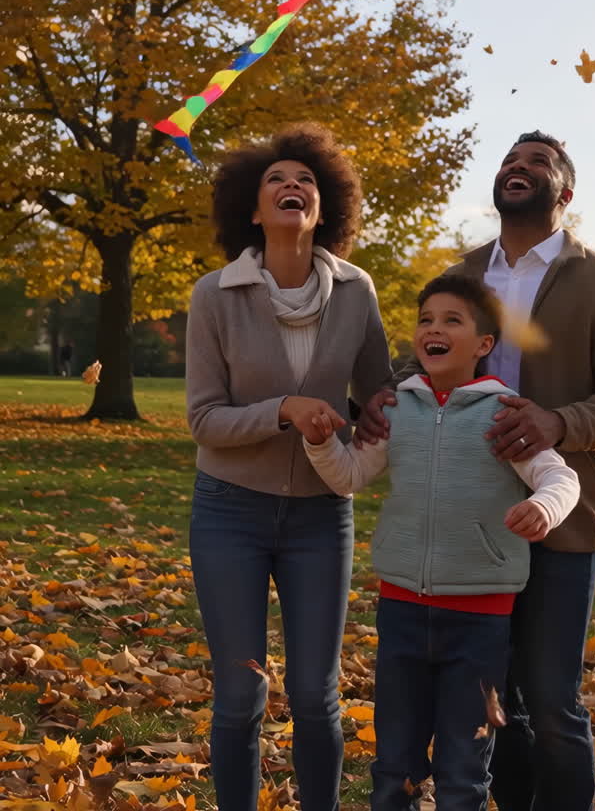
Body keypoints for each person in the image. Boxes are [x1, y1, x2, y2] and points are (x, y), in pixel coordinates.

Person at [358, 130, 595, 811]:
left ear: (565, 192)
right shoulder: (465, 273)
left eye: (537, 162)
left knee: (551, 703)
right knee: (497, 707)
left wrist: (557, 423)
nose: (518, 169)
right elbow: (431, 355)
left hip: (563, 512)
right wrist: (388, 392)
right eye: (510, 162)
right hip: (470, 524)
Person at [303, 272, 580, 811]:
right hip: (402, 611)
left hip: (480, 621)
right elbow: (349, 476)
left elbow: (560, 477)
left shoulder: (503, 415)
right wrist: (320, 444)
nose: (434, 328)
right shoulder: (397, 411)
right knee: (393, 768)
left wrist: (543, 507)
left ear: (483, 345)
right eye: (426, 319)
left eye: (452, 320)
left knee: (462, 770)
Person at [186, 123, 393, 811]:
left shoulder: (357, 291)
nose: (291, 186)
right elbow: (204, 419)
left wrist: (398, 405)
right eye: (276, 179)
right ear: (252, 208)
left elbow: (375, 396)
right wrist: (285, 409)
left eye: (305, 179)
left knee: (315, 694)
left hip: (320, 514)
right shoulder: (214, 294)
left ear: (324, 205)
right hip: (229, 511)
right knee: (241, 692)